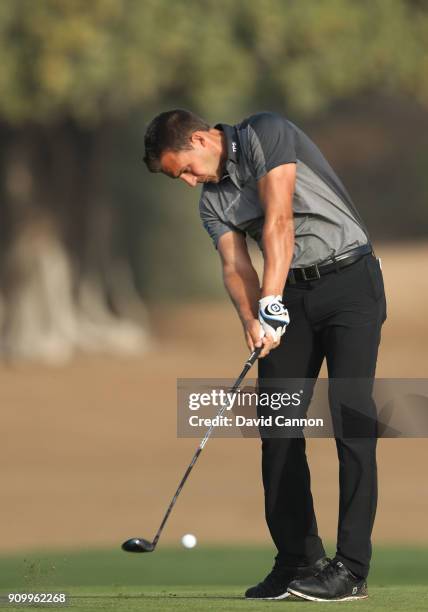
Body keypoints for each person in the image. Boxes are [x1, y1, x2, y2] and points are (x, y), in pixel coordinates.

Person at [143, 109, 387, 602]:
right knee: (276, 429)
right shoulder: (213, 202)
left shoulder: (265, 135)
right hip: (291, 297)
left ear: (199, 139)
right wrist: (254, 320)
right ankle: (298, 558)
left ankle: (352, 569)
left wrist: (271, 298)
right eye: (180, 179)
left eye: (185, 169)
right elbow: (235, 267)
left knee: (350, 422)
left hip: (350, 283)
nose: (190, 183)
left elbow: (279, 220)